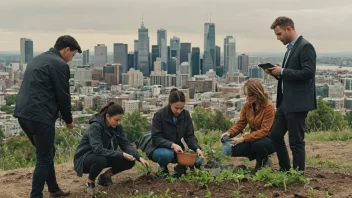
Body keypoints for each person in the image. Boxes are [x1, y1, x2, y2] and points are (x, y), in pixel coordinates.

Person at [14, 35, 81, 198]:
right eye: (72, 55)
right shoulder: (59, 64)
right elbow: (63, 96)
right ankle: (36, 195)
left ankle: (54, 189)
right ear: (65, 50)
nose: (70, 60)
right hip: (40, 115)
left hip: (23, 113)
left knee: (47, 152)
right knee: (44, 157)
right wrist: (68, 120)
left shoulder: (38, 59)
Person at [267, 16, 317, 172]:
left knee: (296, 142)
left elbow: (308, 73)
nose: (278, 38)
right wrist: (277, 72)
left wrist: (282, 71)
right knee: (275, 135)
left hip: (297, 103)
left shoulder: (305, 46)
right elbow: (290, 74)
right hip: (285, 103)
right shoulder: (290, 49)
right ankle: (285, 169)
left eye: (279, 34)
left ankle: (298, 175)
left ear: (288, 29)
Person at [74, 102, 149, 194]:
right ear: (107, 116)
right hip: (85, 158)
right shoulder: (95, 127)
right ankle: (90, 183)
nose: (118, 123)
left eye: (120, 120)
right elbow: (98, 150)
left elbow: (125, 144)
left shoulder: (117, 127)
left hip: (103, 155)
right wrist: (121, 154)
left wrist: (139, 157)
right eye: (116, 120)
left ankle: (105, 177)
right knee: (101, 159)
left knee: (129, 160)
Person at [146, 88, 204, 176]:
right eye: (176, 108)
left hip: (177, 149)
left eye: (181, 108)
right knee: (166, 155)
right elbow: (156, 138)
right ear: (170, 104)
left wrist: (197, 148)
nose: (179, 111)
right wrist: (172, 145)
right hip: (158, 148)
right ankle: (162, 168)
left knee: (197, 158)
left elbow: (189, 136)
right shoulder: (160, 115)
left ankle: (180, 168)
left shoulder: (185, 115)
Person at [221, 79, 276, 170]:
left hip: (269, 140)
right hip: (253, 138)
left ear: (258, 93)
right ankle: (261, 158)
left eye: (250, 95)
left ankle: (263, 162)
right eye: (246, 95)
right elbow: (241, 123)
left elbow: (265, 131)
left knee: (257, 144)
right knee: (233, 149)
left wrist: (243, 138)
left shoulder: (269, 107)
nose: (247, 98)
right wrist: (229, 133)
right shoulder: (247, 105)